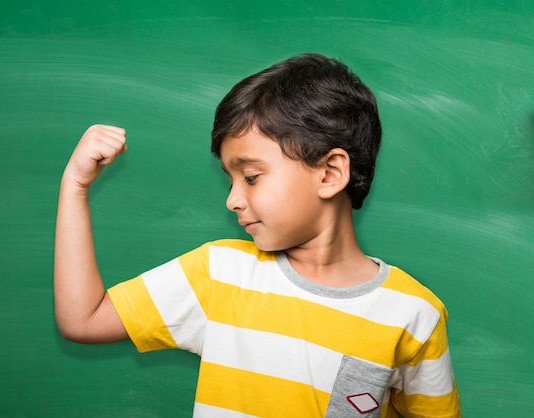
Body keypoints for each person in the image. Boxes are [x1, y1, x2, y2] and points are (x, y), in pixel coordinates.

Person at [54, 53, 461, 417]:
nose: (232, 199)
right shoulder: (219, 273)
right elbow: (83, 319)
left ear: (330, 173)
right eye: (230, 180)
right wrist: (74, 186)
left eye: (250, 177)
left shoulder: (415, 315)